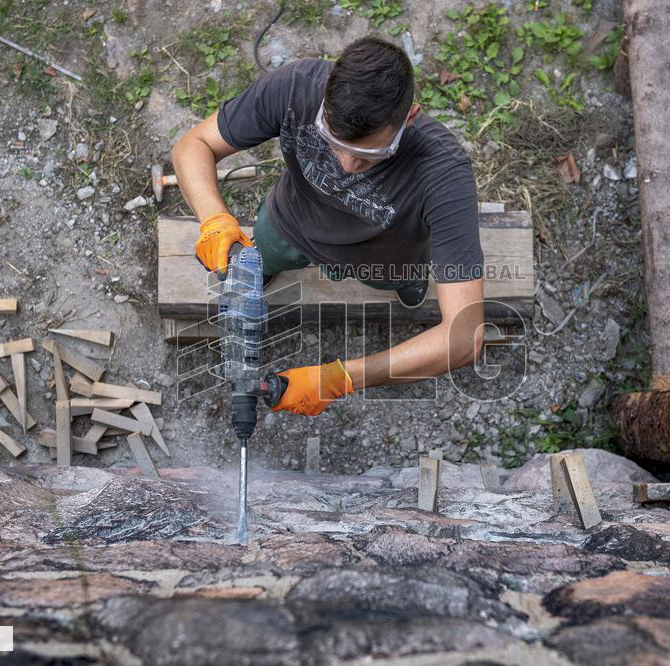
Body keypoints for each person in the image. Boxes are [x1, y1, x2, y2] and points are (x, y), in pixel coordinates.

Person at [171, 36, 485, 417]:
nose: (348, 165)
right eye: (333, 143)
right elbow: (194, 145)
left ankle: (407, 282)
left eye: (370, 153)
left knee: (402, 279)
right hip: (290, 225)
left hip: (388, 258)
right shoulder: (295, 87)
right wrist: (214, 219)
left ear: (410, 118)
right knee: (262, 255)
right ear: (325, 105)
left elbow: (465, 338)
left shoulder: (443, 171)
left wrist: (340, 379)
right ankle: (266, 269)